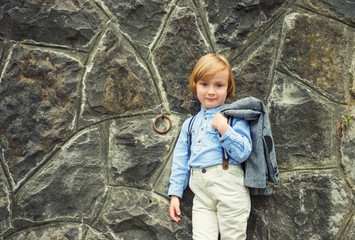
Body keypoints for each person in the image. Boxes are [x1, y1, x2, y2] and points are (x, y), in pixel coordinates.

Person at [168, 54, 252, 240]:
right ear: (195, 86)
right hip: (201, 195)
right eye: (204, 84)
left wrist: (224, 129)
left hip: (229, 189)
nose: (211, 91)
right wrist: (175, 194)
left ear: (228, 88)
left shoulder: (233, 117)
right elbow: (181, 161)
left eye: (219, 85)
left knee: (233, 237)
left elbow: (243, 153)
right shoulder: (189, 124)